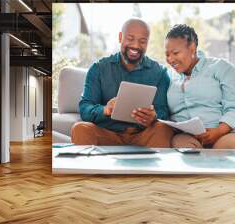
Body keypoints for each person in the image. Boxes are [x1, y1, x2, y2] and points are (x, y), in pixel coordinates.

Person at [71, 18, 173, 147]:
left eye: (142, 41)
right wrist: (105, 110)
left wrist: (154, 116)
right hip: (107, 134)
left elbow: (163, 110)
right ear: (120, 37)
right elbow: (85, 108)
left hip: (143, 135)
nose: (136, 46)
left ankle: (147, 167)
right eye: (130, 39)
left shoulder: (160, 73)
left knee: (163, 129)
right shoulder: (98, 68)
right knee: (80, 129)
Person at [165, 24, 235, 149]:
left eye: (175, 53)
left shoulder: (221, 67)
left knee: (223, 150)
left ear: (192, 48)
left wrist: (218, 131)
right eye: (167, 54)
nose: (170, 59)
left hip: (226, 133)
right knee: (186, 152)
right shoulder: (169, 76)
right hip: (187, 136)